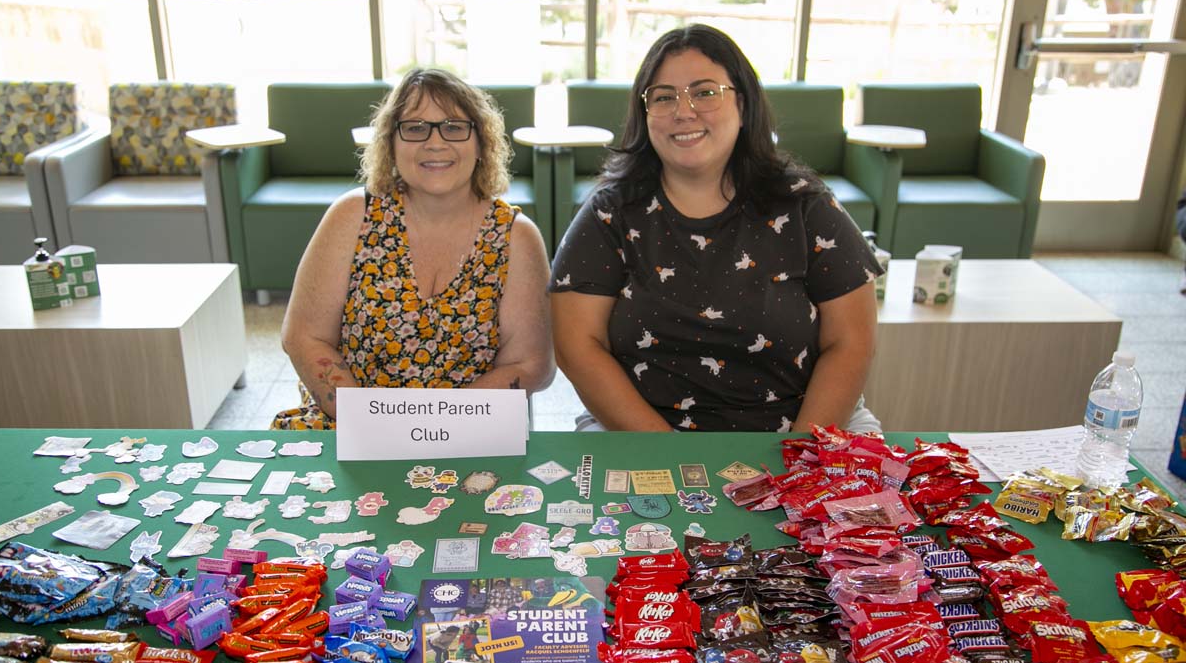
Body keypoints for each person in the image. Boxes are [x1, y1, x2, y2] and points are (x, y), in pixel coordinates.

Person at [550, 24, 882, 433]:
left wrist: (799, 454)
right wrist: (669, 456)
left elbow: (850, 342)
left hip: (803, 428)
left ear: (743, 105)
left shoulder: (805, 205)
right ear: (645, 113)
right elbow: (577, 347)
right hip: (638, 430)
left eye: (705, 92)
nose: (683, 111)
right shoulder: (609, 213)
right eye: (663, 97)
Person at [273, 68, 555, 429]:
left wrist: (428, 427)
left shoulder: (517, 236)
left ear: (482, 142)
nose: (435, 143)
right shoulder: (351, 216)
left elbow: (532, 366)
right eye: (415, 127)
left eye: (454, 126)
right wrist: (371, 422)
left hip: (472, 432)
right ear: (391, 143)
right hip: (350, 425)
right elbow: (303, 336)